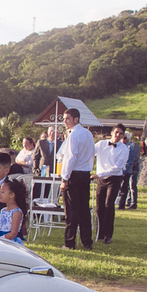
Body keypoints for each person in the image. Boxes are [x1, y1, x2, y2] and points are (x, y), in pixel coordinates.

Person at [58, 107, 95, 250]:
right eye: (64, 119)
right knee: (84, 209)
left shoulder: (74, 135)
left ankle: (70, 242)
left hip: (75, 174)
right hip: (85, 174)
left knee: (71, 210)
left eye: (67, 119)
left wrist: (65, 178)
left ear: (76, 119)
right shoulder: (88, 134)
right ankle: (87, 242)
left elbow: (71, 158)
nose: (65, 122)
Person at [93, 125, 129, 244]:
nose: (117, 135)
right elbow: (89, 153)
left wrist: (99, 174)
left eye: (121, 134)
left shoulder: (124, 149)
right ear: (112, 132)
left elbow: (117, 167)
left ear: (123, 136)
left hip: (114, 178)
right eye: (116, 132)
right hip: (101, 179)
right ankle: (100, 232)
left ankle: (108, 234)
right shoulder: (101, 144)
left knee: (109, 205)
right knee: (99, 207)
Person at [0, 178, 27, 244]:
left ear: (12, 195)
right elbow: (1, 227)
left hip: (9, 242)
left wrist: (1, 238)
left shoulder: (16, 212)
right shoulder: (3, 210)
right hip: (0, 239)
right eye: (0, 191)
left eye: (2, 192)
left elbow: (13, 233)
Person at [116, 129, 141, 210]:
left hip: (132, 168)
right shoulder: (122, 146)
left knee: (131, 186)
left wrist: (128, 167)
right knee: (125, 186)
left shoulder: (132, 146)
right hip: (125, 169)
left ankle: (133, 203)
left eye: (125, 138)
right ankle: (127, 202)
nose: (123, 140)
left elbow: (134, 158)